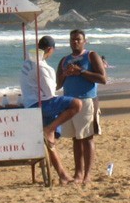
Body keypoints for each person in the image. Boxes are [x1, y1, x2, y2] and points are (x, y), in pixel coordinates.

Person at [20, 36, 84, 184]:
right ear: (50, 49)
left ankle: (63, 176)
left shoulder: (27, 62)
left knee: (51, 141)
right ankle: (50, 128)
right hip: (41, 104)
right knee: (76, 104)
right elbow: (50, 92)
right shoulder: (42, 67)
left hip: (29, 104)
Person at [57, 29, 107, 184]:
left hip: (87, 100)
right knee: (76, 139)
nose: (75, 42)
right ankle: (78, 173)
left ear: (84, 41)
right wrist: (66, 73)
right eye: (72, 39)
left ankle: (87, 175)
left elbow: (102, 78)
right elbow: (58, 84)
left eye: (78, 39)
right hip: (69, 102)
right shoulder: (64, 60)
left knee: (87, 137)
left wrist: (81, 72)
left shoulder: (91, 56)